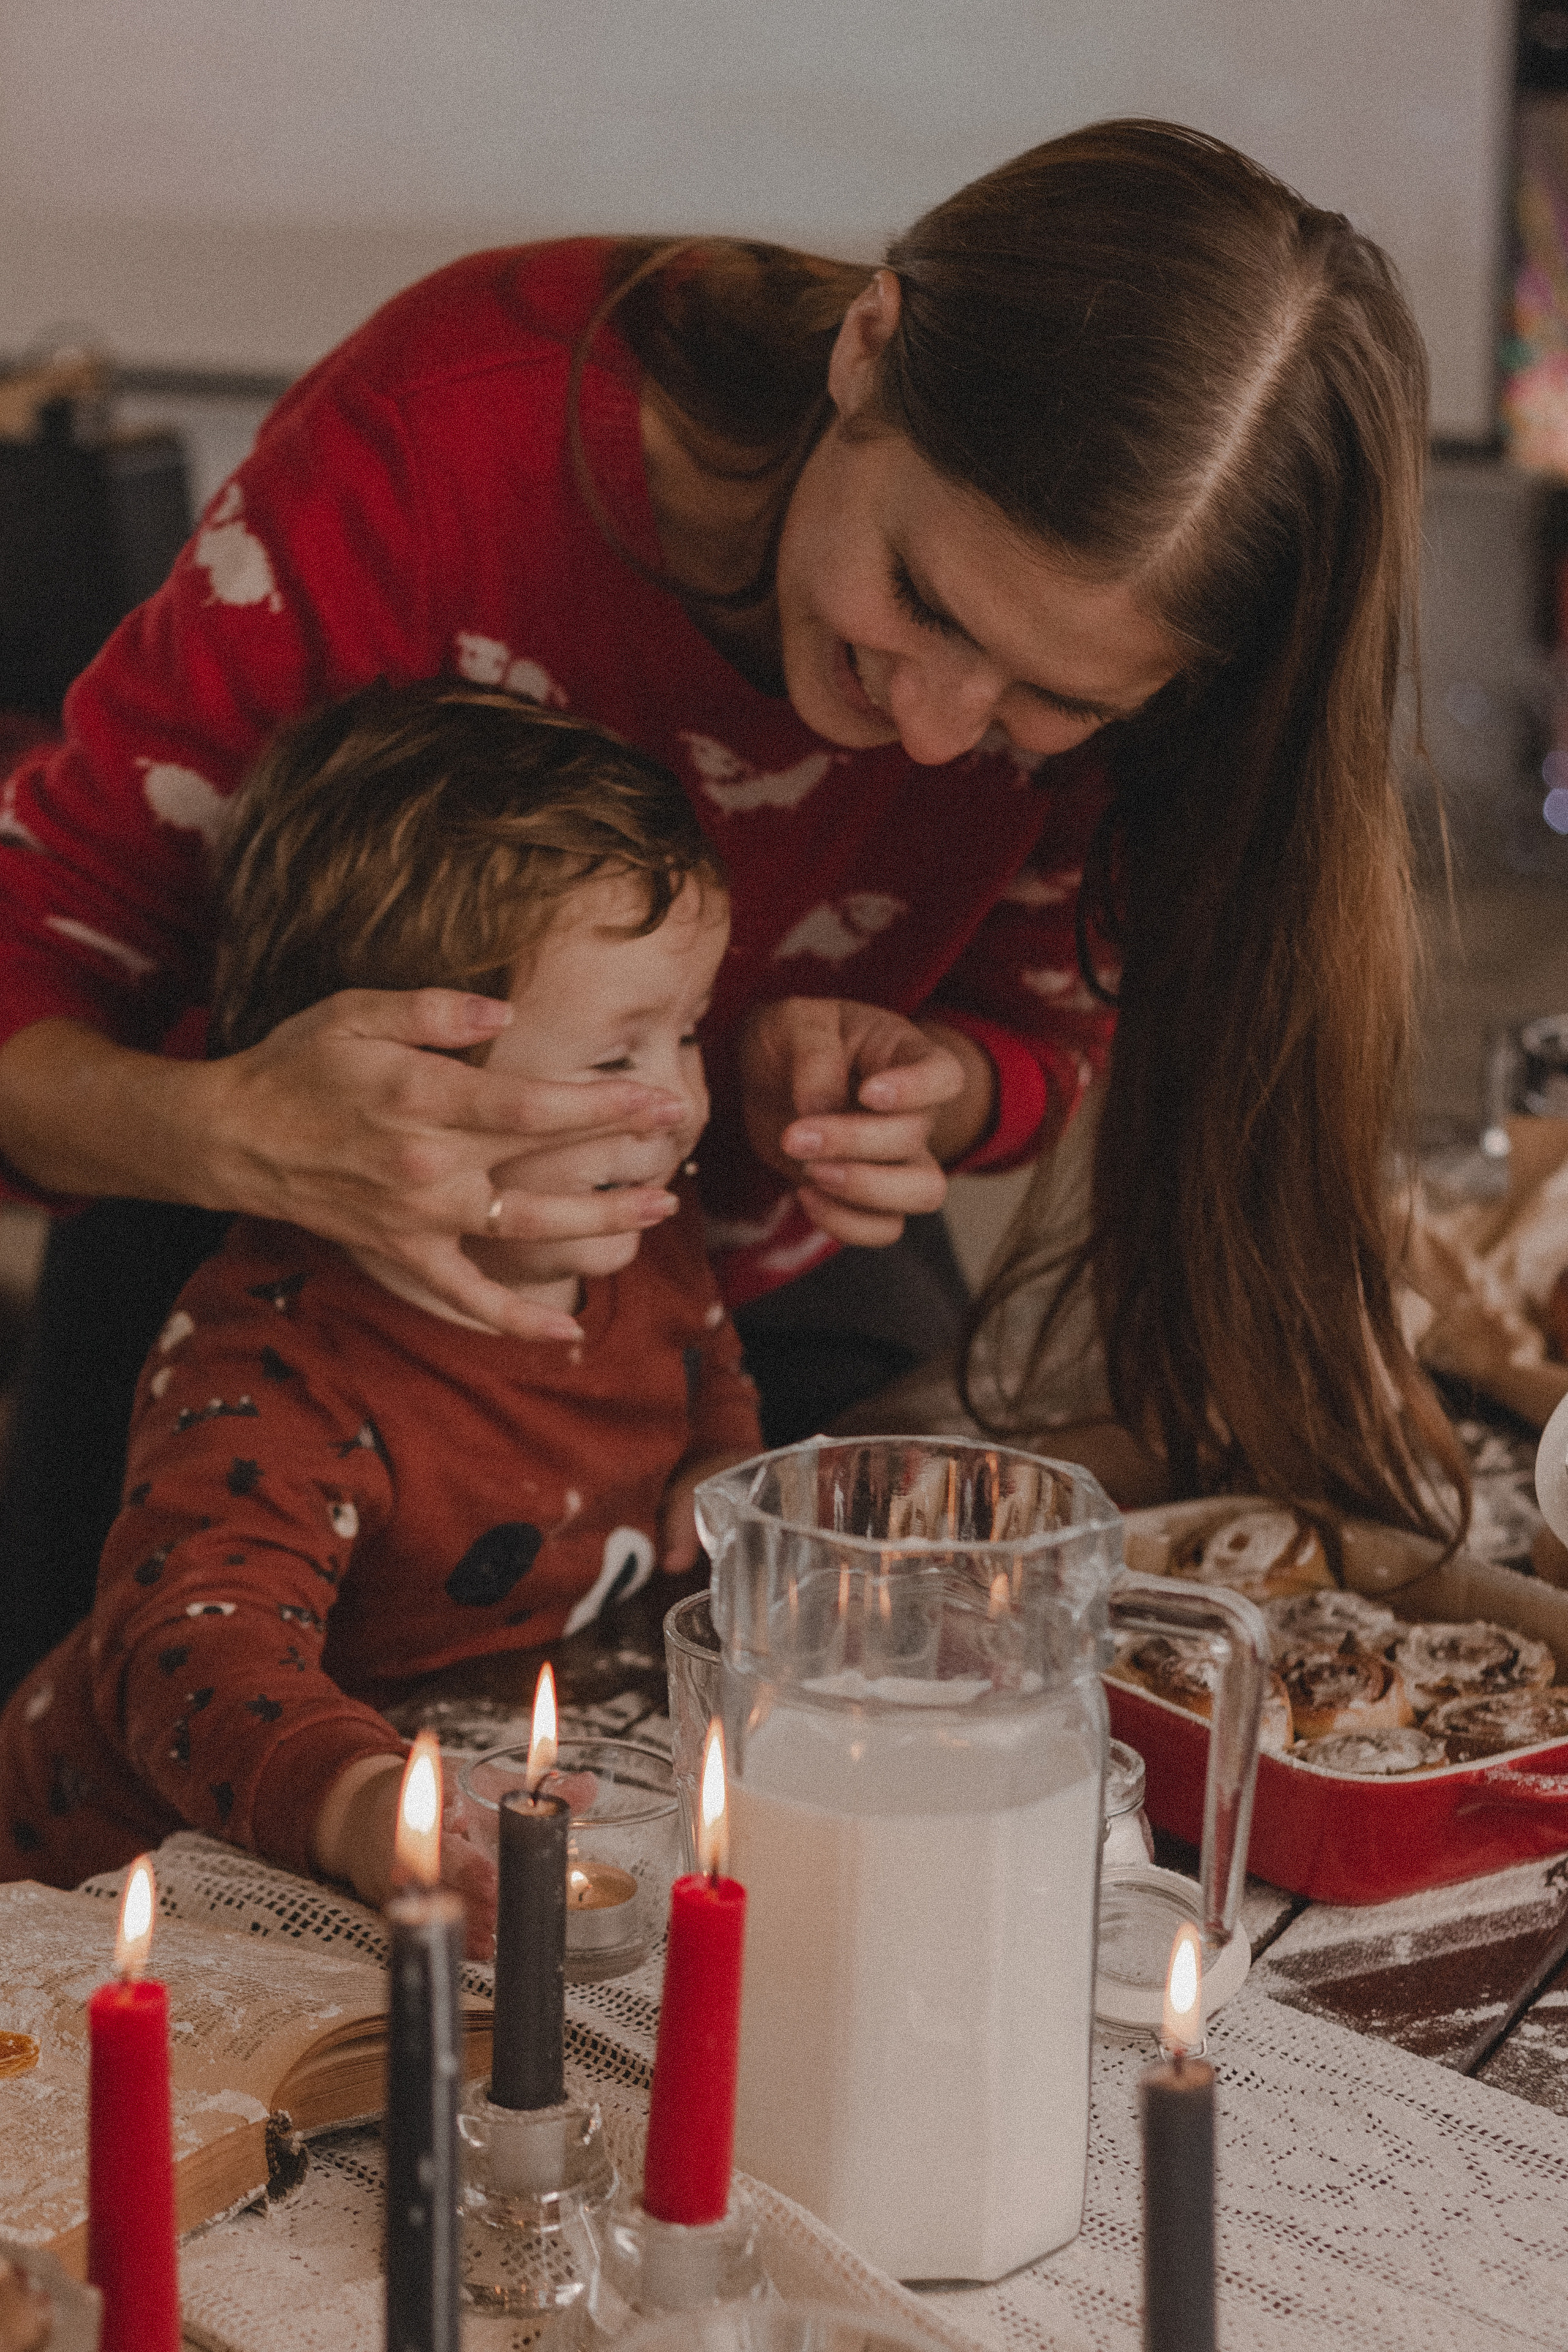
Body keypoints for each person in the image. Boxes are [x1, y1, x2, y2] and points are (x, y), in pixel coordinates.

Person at [0, 121, 1468, 1698]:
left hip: (726, 1311)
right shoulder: (447, 445)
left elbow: (1036, 1022)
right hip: (244, 1284)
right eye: (919, 598)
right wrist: (240, 1133)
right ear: (867, 348)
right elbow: (32, 970)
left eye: (1046, 701)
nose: (928, 731)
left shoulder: (1147, 707)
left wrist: (932, 1086)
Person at [0, 681, 761, 1951]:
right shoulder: (279, 1361)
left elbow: (701, 1358)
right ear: (396, 1087)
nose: (679, 1104)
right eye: (615, 1056)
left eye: (684, 1036)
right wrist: (368, 1809)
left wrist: (721, 1459)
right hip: (132, 1885)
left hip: (451, 1810)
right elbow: (191, 1656)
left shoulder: (638, 1229)